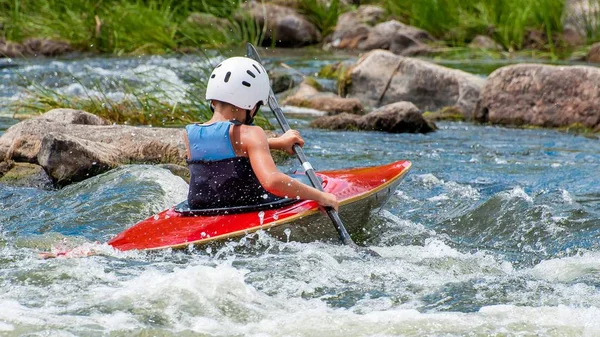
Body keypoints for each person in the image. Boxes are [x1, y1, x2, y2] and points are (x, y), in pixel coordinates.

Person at [183, 56, 338, 212]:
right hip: (246, 205)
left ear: (213, 100)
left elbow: (223, 147)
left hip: (201, 208)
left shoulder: (190, 134)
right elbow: (272, 182)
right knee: (308, 182)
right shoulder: (252, 133)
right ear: (251, 103)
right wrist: (321, 196)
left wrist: (277, 143)